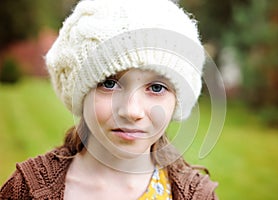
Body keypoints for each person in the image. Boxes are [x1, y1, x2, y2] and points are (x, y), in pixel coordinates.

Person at [0, 0, 218, 199]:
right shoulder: (26, 190)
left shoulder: (196, 195)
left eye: (156, 87)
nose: (132, 111)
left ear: (177, 101)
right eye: (109, 83)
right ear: (79, 92)